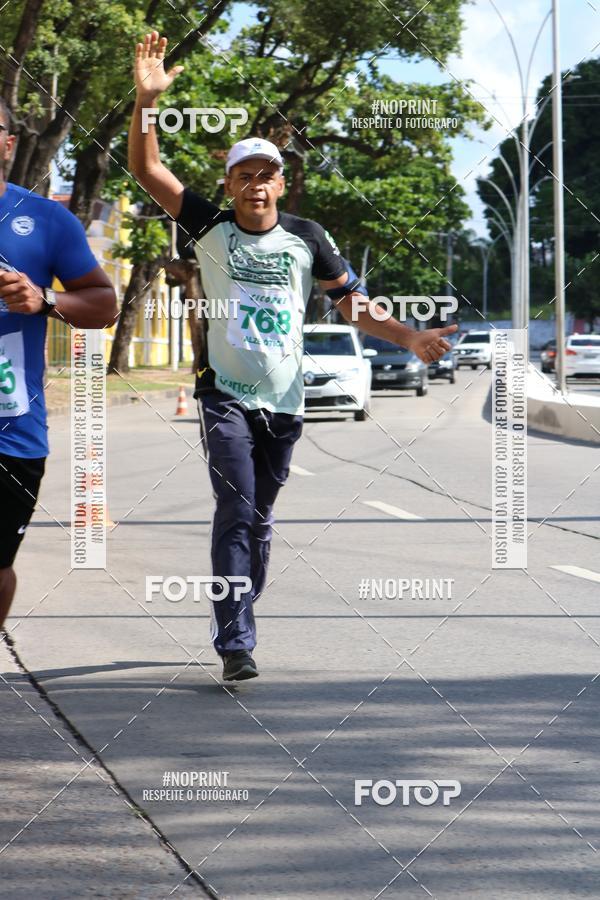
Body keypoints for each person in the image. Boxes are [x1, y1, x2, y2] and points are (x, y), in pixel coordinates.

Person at [130, 31, 457, 681]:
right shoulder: (208, 226)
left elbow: (352, 307)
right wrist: (146, 104)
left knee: (260, 518)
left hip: (285, 404)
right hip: (223, 394)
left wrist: (409, 337)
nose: (256, 185)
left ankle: (242, 602)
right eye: (244, 175)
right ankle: (235, 643)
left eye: (267, 175)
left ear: (281, 184)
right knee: (236, 511)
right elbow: (147, 172)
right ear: (229, 184)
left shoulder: (308, 238)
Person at [0, 97, 118, 633]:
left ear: (8, 141)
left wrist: (43, 299)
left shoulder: (45, 220)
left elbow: (102, 304)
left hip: (12, 431)